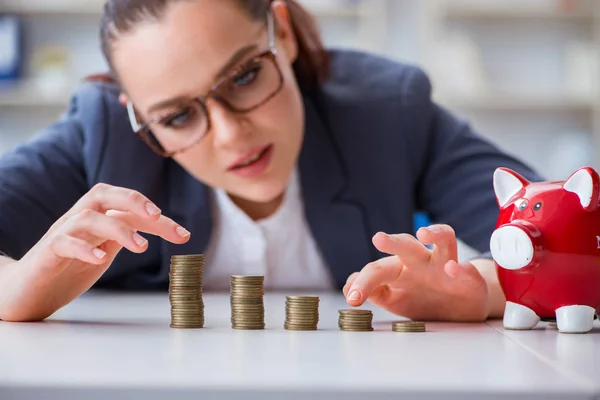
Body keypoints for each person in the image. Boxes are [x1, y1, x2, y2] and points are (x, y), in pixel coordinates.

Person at [0, 0, 541, 323]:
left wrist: (484, 291)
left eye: (243, 77)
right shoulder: (103, 135)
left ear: (281, 30)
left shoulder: (391, 113)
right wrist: (14, 287)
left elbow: (578, 232)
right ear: (136, 115)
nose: (233, 134)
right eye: (177, 117)